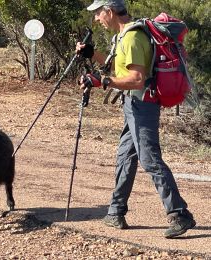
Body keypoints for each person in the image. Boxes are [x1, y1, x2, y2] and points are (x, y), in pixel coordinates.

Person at [77, 0, 196, 238]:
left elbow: (136, 79)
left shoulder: (131, 38)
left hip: (142, 104)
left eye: (99, 14)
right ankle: (115, 212)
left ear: (109, 12)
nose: (98, 19)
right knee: (125, 157)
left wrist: (102, 81)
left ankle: (179, 214)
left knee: (150, 159)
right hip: (134, 105)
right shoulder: (123, 36)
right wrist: (93, 54)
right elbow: (119, 68)